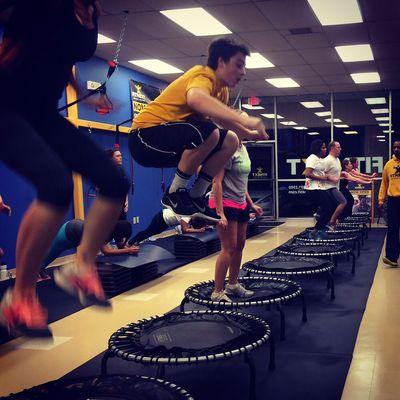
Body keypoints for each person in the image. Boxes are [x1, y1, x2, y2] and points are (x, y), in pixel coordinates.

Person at [0, 0, 130, 337]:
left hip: (43, 113)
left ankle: (81, 265)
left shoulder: (90, 9)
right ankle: (21, 295)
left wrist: (82, 95)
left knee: (115, 182)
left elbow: (61, 55)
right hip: (6, 106)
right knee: (56, 186)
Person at [129, 38, 268, 221]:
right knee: (210, 132)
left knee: (231, 140)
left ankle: (196, 196)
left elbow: (222, 119)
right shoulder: (202, 75)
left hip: (166, 143)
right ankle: (175, 194)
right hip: (144, 138)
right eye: (239, 65)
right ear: (221, 62)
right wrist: (248, 120)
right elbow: (196, 99)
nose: (243, 72)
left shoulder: (222, 90)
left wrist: (249, 134)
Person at [209, 140, 263, 301]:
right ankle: (217, 292)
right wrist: (220, 213)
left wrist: (251, 203)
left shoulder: (243, 148)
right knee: (229, 247)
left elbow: (241, 182)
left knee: (240, 245)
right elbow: (216, 181)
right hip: (225, 202)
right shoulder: (226, 149)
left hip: (241, 203)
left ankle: (232, 284)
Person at [304, 140, 336, 238]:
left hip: (320, 188)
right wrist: (322, 178)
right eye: (323, 147)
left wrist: (329, 177)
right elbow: (307, 173)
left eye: (325, 147)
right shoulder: (312, 158)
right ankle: (317, 229)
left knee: (332, 205)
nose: (325, 149)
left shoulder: (319, 159)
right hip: (313, 189)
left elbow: (320, 172)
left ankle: (319, 222)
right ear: (317, 148)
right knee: (329, 207)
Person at [127, 209, 210, 246]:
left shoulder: (193, 215)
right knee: (149, 232)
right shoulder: (187, 216)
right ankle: (130, 242)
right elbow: (184, 230)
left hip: (166, 222)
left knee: (151, 232)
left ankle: (135, 242)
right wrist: (198, 231)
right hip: (162, 218)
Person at [378, 141, 400, 267]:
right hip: (393, 200)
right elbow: (384, 184)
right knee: (392, 229)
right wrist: (381, 200)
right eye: (395, 148)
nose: (396, 149)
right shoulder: (388, 164)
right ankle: (391, 257)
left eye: (399, 147)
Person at [323, 141, 347, 229]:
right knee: (343, 201)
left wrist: (341, 175)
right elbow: (321, 174)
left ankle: (331, 222)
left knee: (334, 206)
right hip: (329, 187)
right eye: (338, 147)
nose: (340, 149)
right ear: (332, 148)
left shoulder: (337, 159)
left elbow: (336, 173)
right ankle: (332, 221)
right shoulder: (327, 160)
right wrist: (332, 179)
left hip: (335, 187)